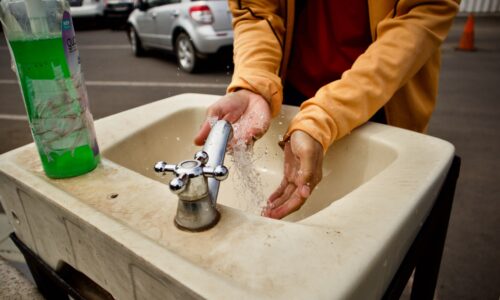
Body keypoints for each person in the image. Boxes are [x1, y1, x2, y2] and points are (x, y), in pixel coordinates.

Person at [194, 0, 459, 219]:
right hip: (292, 100)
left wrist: (327, 114)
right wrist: (253, 84)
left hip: (382, 102)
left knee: (377, 224)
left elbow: (420, 16)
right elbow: (256, 12)